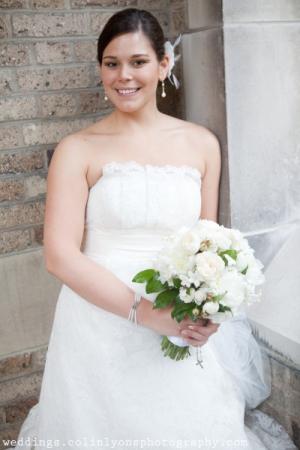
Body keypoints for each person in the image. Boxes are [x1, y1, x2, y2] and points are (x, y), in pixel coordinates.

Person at [14, 7, 296, 450]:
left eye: (138, 62)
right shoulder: (77, 150)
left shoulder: (201, 144)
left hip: (178, 322)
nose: (124, 76)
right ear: (101, 70)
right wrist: (143, 312)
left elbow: (209, 246)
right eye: (112, 63)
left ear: (164, 65)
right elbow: (60, 256)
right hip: (99, 324)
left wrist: (206, 313)